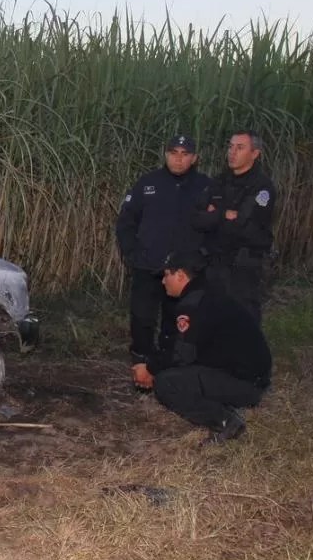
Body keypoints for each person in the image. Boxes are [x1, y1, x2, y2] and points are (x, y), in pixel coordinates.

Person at [136, 250, 272, 446]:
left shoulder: (192, 303)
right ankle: (227, 404)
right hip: (252, 377)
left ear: (181, 275)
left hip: (248, 384)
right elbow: (181, 344)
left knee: (167, 383)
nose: (163, 281)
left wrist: (149, 369)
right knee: (177, 370)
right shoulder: (206, 293)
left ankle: (226, 421)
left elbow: (182, 354)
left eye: (167, 275)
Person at [115, 135, 210, 388]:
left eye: (184, 154)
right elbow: (125, 222)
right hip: (148, 265)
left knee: (177, 321)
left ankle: (169, 368)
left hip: (184, 273)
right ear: (165, 154)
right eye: (173, 152)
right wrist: (132, 253)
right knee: (142, 318)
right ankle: (141, 369)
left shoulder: (205, 187)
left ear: (194, 158)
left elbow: (216, 226)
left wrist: (201, 257)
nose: (178, 158)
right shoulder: (148, 183)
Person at [196, 130, 277, 323]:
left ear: (255, 154)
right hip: (216, 260)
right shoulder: (219, 180)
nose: (232, 152)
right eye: (230, 147)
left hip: (244, 264)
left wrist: (214, 214)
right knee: (214, 315)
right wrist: (224, 214)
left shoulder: (262, 187)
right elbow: (197, 218)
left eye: (240, 148)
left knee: (244, 316)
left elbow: (242, 224)